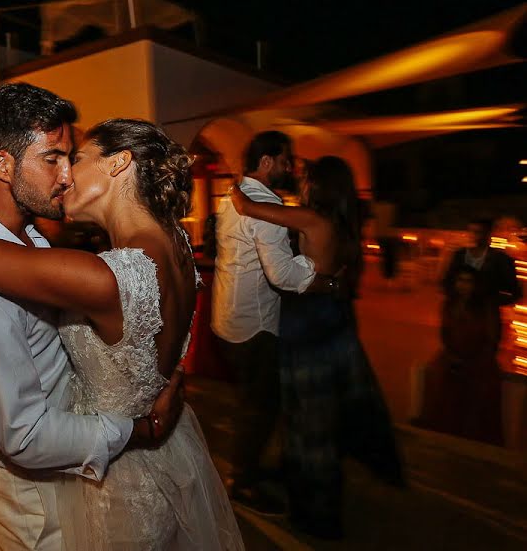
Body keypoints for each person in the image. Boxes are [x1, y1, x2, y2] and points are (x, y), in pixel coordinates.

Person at [0, 84, 242, 550]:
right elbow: (25, 434)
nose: (67, 174)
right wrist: (143, 427)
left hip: (100, 472)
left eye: (73, 157)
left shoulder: (75, 262)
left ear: (118, 165)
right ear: (2, 165)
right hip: (34, 491)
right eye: (53, 158)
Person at [230, 155, 403, 539]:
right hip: (332, 319)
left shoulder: (313, 220)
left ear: (319, 186)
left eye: (307, 178)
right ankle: (311, 492)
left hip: (308, 322)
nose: (301, 184)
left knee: (309, 419)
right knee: (321, 414)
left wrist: (236, 179)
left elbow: (247, 207)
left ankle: (316, 513)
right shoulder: (344, 225)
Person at [211, 130, 335, 516]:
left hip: (228, 315)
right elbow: (281, 275)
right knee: (259, 406)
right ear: (266, 162)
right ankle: (242, 480)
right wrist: (323, 278)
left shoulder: (236, 199)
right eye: (284, 160)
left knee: (253, 402)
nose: (288, 167)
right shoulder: (263, 205)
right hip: (254, 324)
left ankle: (246, 466)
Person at [420, 265, 504, 444]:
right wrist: (452, 356)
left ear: (475, 285)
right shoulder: (449, 304)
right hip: (454, 355)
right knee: (435, 378)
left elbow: (491, 339)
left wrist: (473, 359)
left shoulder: (484, 307)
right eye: (460, 280)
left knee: (478, 392)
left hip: (479, 359)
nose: (463, 285)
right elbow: (445, 334)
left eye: (468, 281)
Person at [442, 218, 522, 314]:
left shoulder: (501, 259)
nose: (473, 235)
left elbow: (514, 291)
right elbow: (447, 281)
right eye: (471, 231)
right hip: (461, 312)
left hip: (486, 315)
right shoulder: (460, 255)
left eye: (478, 232)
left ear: (488, 234)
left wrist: (491, 302)